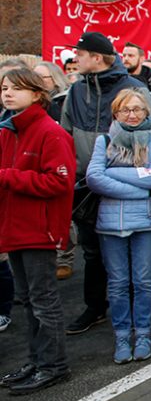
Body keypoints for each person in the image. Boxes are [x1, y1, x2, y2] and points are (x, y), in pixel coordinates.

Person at [61, 32, 151, 336]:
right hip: (87, 189)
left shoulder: (134, 89)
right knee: (92, 252)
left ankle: (136, 319)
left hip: (132, 192)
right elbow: (66, 136)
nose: (75, 59)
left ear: (96, 57)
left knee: (133, 260)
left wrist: (118, 176)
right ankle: (96, 307)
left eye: (80, 53)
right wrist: (83, 176)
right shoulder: (76, 92)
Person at [0, 68, 75, 395]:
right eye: (4, 88)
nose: (7, 93)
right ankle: (37, 359)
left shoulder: (50, 132)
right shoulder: (7, 130)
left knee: (43, 301)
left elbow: (60, 181)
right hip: (14, 228)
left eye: (15, 88)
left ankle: (54, 365)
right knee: (28, 300)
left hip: (38, 230)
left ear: (36, 93)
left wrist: (8, 176)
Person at [86, 90, 151, 364]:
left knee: (143, 282)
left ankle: (143, 333)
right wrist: (139, 186)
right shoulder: (105, 141)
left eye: (137, 109)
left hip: (147, 221)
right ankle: (122, 335)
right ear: (116, 113)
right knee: (118, 283)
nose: (132, 115)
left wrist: (113, 173)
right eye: (125, 110)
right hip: (111, 223)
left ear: (147, 112)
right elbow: (94, 178)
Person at [33, 61, 74, 280]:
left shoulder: (63, 102)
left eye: (43, 77)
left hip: (61, 161)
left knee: (65, 212)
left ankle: (64, 256)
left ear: (54, 79)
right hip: (37, 161)